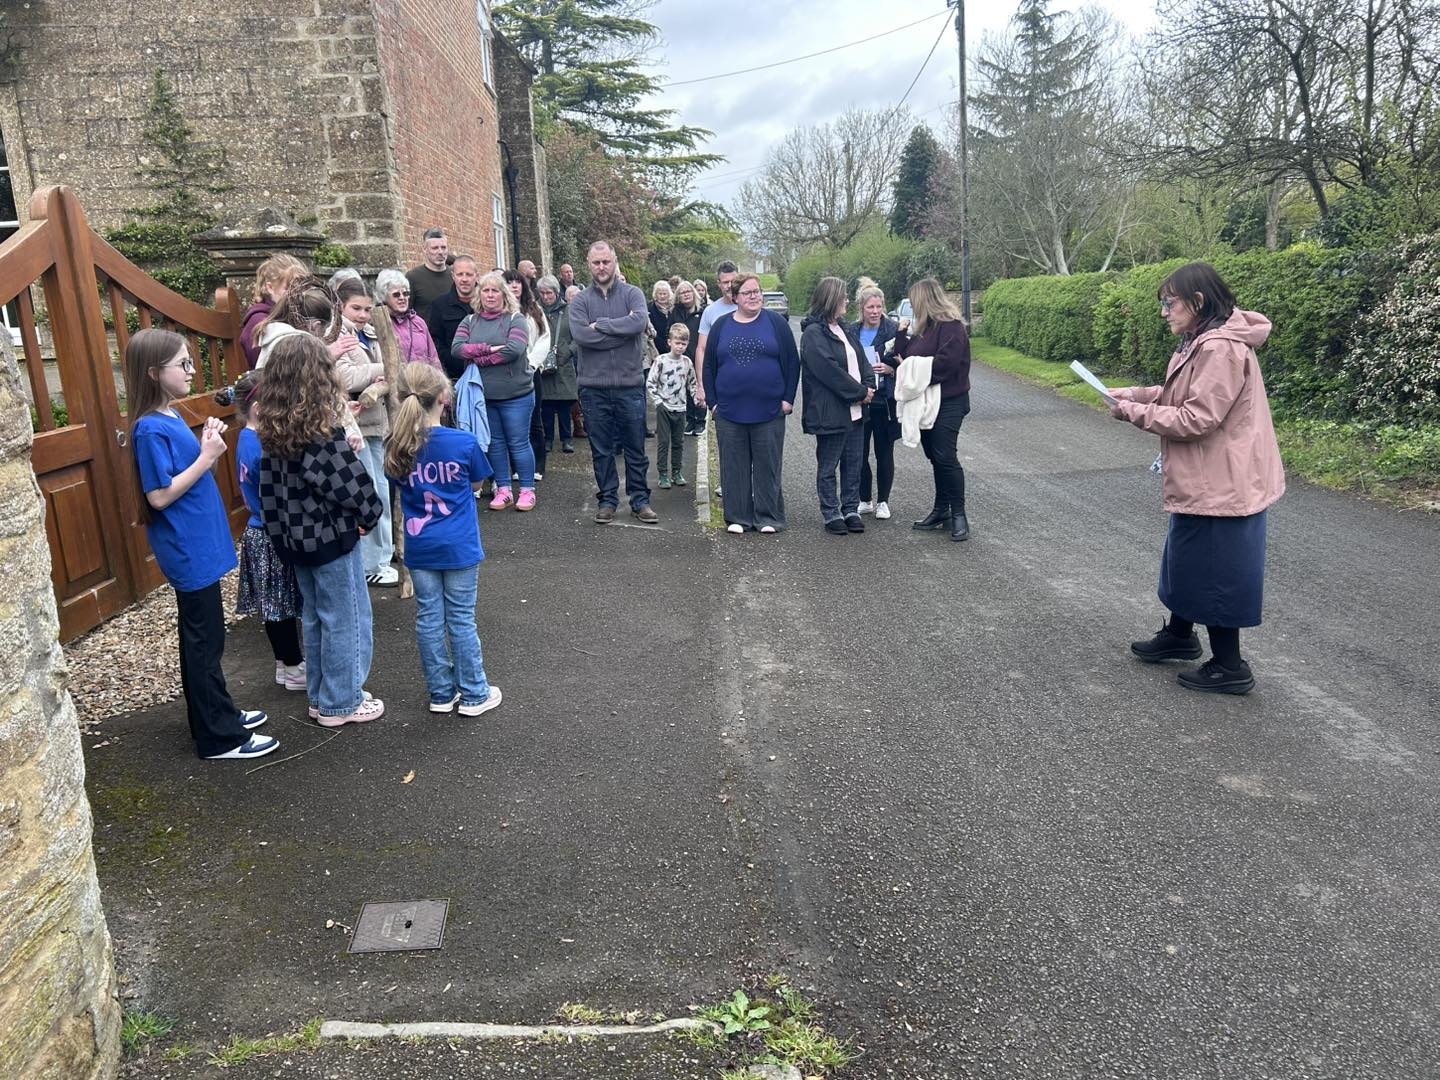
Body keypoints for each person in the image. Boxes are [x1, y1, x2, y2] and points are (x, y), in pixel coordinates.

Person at [1110, 262, 1285, 695]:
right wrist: (1133, 394)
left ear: (1198, 301)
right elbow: (1180, 394)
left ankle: (1230, 666)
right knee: (1187, 558)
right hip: (1209, 476)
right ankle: (1180, 635)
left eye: (1169, 303)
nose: (1164, 312)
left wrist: (1133, 412)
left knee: (1217, 571)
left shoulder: (1220, 348)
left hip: (1223, 482)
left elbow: (1197, 417)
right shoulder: (1201, 340)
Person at [126, 330, 274, 760]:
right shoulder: (149, 429)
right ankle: (218, 737)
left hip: (199, 544)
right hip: (187, 548)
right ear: (153, 373)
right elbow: (159, 495)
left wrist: (206, 445)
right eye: (183, 364)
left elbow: (182, 474)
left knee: (206, 639)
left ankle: (215, 714)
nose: (192, 371)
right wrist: (207, 456)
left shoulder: (169, 416)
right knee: (204, 643)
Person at [255, 334, 385, 728]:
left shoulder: (272, 430)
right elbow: (349, 485)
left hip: (294, 540)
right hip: (330, 538)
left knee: (315, 617)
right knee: (346, 617)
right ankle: (341, 702)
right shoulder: (320, 431)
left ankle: (321, 696)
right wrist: (370, 513)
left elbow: (269, 491)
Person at [385, 363, 503, 717]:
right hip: (458, 543)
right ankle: (474, 693)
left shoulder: (397, 446)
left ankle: (440, 692)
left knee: (429, 618)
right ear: (443, 398)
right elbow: (477, 483)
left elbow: (395, 486)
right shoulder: (463, 442)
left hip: (420, 545)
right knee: (461, 618)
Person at [702, 272, 799, 534]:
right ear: (735, 297)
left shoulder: (776, 323)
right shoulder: (721, 326)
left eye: (757, 291)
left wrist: (788, 399)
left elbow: (792, 362)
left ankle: (768, 517)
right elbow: (709, 365)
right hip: (729, 411)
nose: (754, 296)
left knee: (768, 465)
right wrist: (713, 403)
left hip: (769, 410)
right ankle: (738, 517)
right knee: (734, 465)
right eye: (747, 292)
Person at [226, 369, 305, 693]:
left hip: (258, 529)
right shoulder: (262, 446)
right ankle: (294, 666)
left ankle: (284, 663)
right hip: (271, 531)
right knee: (281, 606)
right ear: (259, 409)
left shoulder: (246, 439)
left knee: (274, 606)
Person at [568, 241, 657, 524]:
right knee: (601, 449)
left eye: (606, 261)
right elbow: (582, 336)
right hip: (593, 388)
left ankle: (640, 500)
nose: (601, 267)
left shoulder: (633, 294)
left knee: (635, 447)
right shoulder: (580, 301)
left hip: (630, 386)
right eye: (596, 263)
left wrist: (603, 325)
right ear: (589, 264)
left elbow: (638, 323)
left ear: (614, 261)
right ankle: (607, 500)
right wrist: (622, 330)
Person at [894, 278, 973, 542]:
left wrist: (915, 368)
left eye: (914, 301)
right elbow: (904, 357)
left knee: (945, 456)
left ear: (925, 301)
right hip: (927, 402)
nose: (913, 307)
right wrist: (901, 334)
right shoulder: (924, 329)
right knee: (935, 456)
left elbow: (945, 364)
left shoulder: (952, 327)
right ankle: (942, 510)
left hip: (950, 400)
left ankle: (959, 514)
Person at [452, 271, 535, 510]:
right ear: (479, 294)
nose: (490, 295)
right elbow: (457, 349)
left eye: (495, 290)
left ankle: (527, 490)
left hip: (517, 395)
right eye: (485, 290)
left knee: (518, 443)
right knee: (495, 444)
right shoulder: (469, 321)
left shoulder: (516, 319)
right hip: (484, 396)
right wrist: (488, 348)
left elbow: (514, 349)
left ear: (504, 294)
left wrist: (479, 359)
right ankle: (504, 489)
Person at [333, 279, 397, 585]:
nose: (362, 314)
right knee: (366, 491)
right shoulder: (336, 336)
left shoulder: (371, 331)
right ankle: (372, 564)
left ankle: (384, 555)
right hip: (356, 425)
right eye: (355, 308)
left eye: (367, 309)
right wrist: (384, 369)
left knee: (382, 489)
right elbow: (345, 377)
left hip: (377, 422)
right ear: (340, 307)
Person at [800, 276, 873, 534]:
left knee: (854, 463)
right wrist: (860, 392)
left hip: (856, 411)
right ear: (831, 299)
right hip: (831, 411)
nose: (847, 301)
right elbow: (829, 372)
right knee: (829, 465)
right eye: (844, 297)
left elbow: (862, 361)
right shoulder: (813, 334)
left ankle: (850, 509)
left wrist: (868, 385)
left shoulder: (845, 328)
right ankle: (831, 513)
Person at [852, 279, 900, 519]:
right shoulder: (851, 331)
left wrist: (891, 369)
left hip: (884, 401)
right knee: (858, 453)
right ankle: (864, 499)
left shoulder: (893, 330)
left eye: (879, 307)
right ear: (861, 308)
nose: (875, 312)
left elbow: (907, 361)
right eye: (870, 307)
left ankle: (883, 501)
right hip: (859, 400)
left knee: (884, 452)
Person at [505, 269, 552, 483]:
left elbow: (544, 338)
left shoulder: (535, 310)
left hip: (531, 372)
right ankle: (517, 467)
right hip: (507, 373)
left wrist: (531, 363)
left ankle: (537, 465)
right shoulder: (500, 311)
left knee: (534, 420)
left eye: (518, 282)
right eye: (509, 282)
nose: (514, 286)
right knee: (513, 423)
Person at [647, 323, 697, 488]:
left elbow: (692, 384)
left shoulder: (687, 362)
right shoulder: (661, 361)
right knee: (663, 442)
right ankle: (663, 474)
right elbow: (651, 383)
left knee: (678, 442)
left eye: (684, 344)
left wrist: (697, 399)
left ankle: (677, 471)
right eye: (677, 343)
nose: (680, 346)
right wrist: (658, 402)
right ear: (669, 342)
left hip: (680, 408)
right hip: (664, 408)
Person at [240, 254, 307, 369]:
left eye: (302, 288)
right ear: (270, 288)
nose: (297, 293)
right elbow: (266, 367)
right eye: (289, 288)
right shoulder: (259, 321)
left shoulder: (297, 313)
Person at [693, 261, 739, 412]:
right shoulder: (710, 311)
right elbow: (701, 349)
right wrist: (701, 385)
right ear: (719, 284)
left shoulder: (750, 307)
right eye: (725, 282)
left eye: (733, 281)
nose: (729, 286)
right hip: (720, 381)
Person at [540, 279, 579, 454]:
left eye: (549, 293)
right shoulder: (536, 311)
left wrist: (569, 351)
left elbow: (578, 336)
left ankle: (566, 438)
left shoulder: (569, 311)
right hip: (543, 363)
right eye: (542, 293)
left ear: (556, 292)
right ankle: (548, 439)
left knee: (564, 404)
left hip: (563, 363)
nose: (546, 297)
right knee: (546, 405)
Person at [375, 269, 442, 370]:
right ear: (384, 297)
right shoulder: (380, 323)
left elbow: (433, 358)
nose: (402, 298)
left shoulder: (418, 322)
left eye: (405, 293)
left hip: (423, 378)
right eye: (396, 294)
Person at [670, 280, 706, 435]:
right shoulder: (675, 312)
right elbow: (669, 331)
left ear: (693, 293)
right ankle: (690, 420)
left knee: (699, 387)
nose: (685, 294)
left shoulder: (702, 311)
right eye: (682, 292)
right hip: (681, 357)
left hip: (698, 355)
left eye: (688, 291)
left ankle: (700, 421)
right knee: (685, 389)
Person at [406, 227, 453, 321]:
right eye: (435, 248)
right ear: (425, 249)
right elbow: (405, 312)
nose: (440, 252)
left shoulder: (455, 276)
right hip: (425, 329)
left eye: (443, 247)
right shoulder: (412, 277)